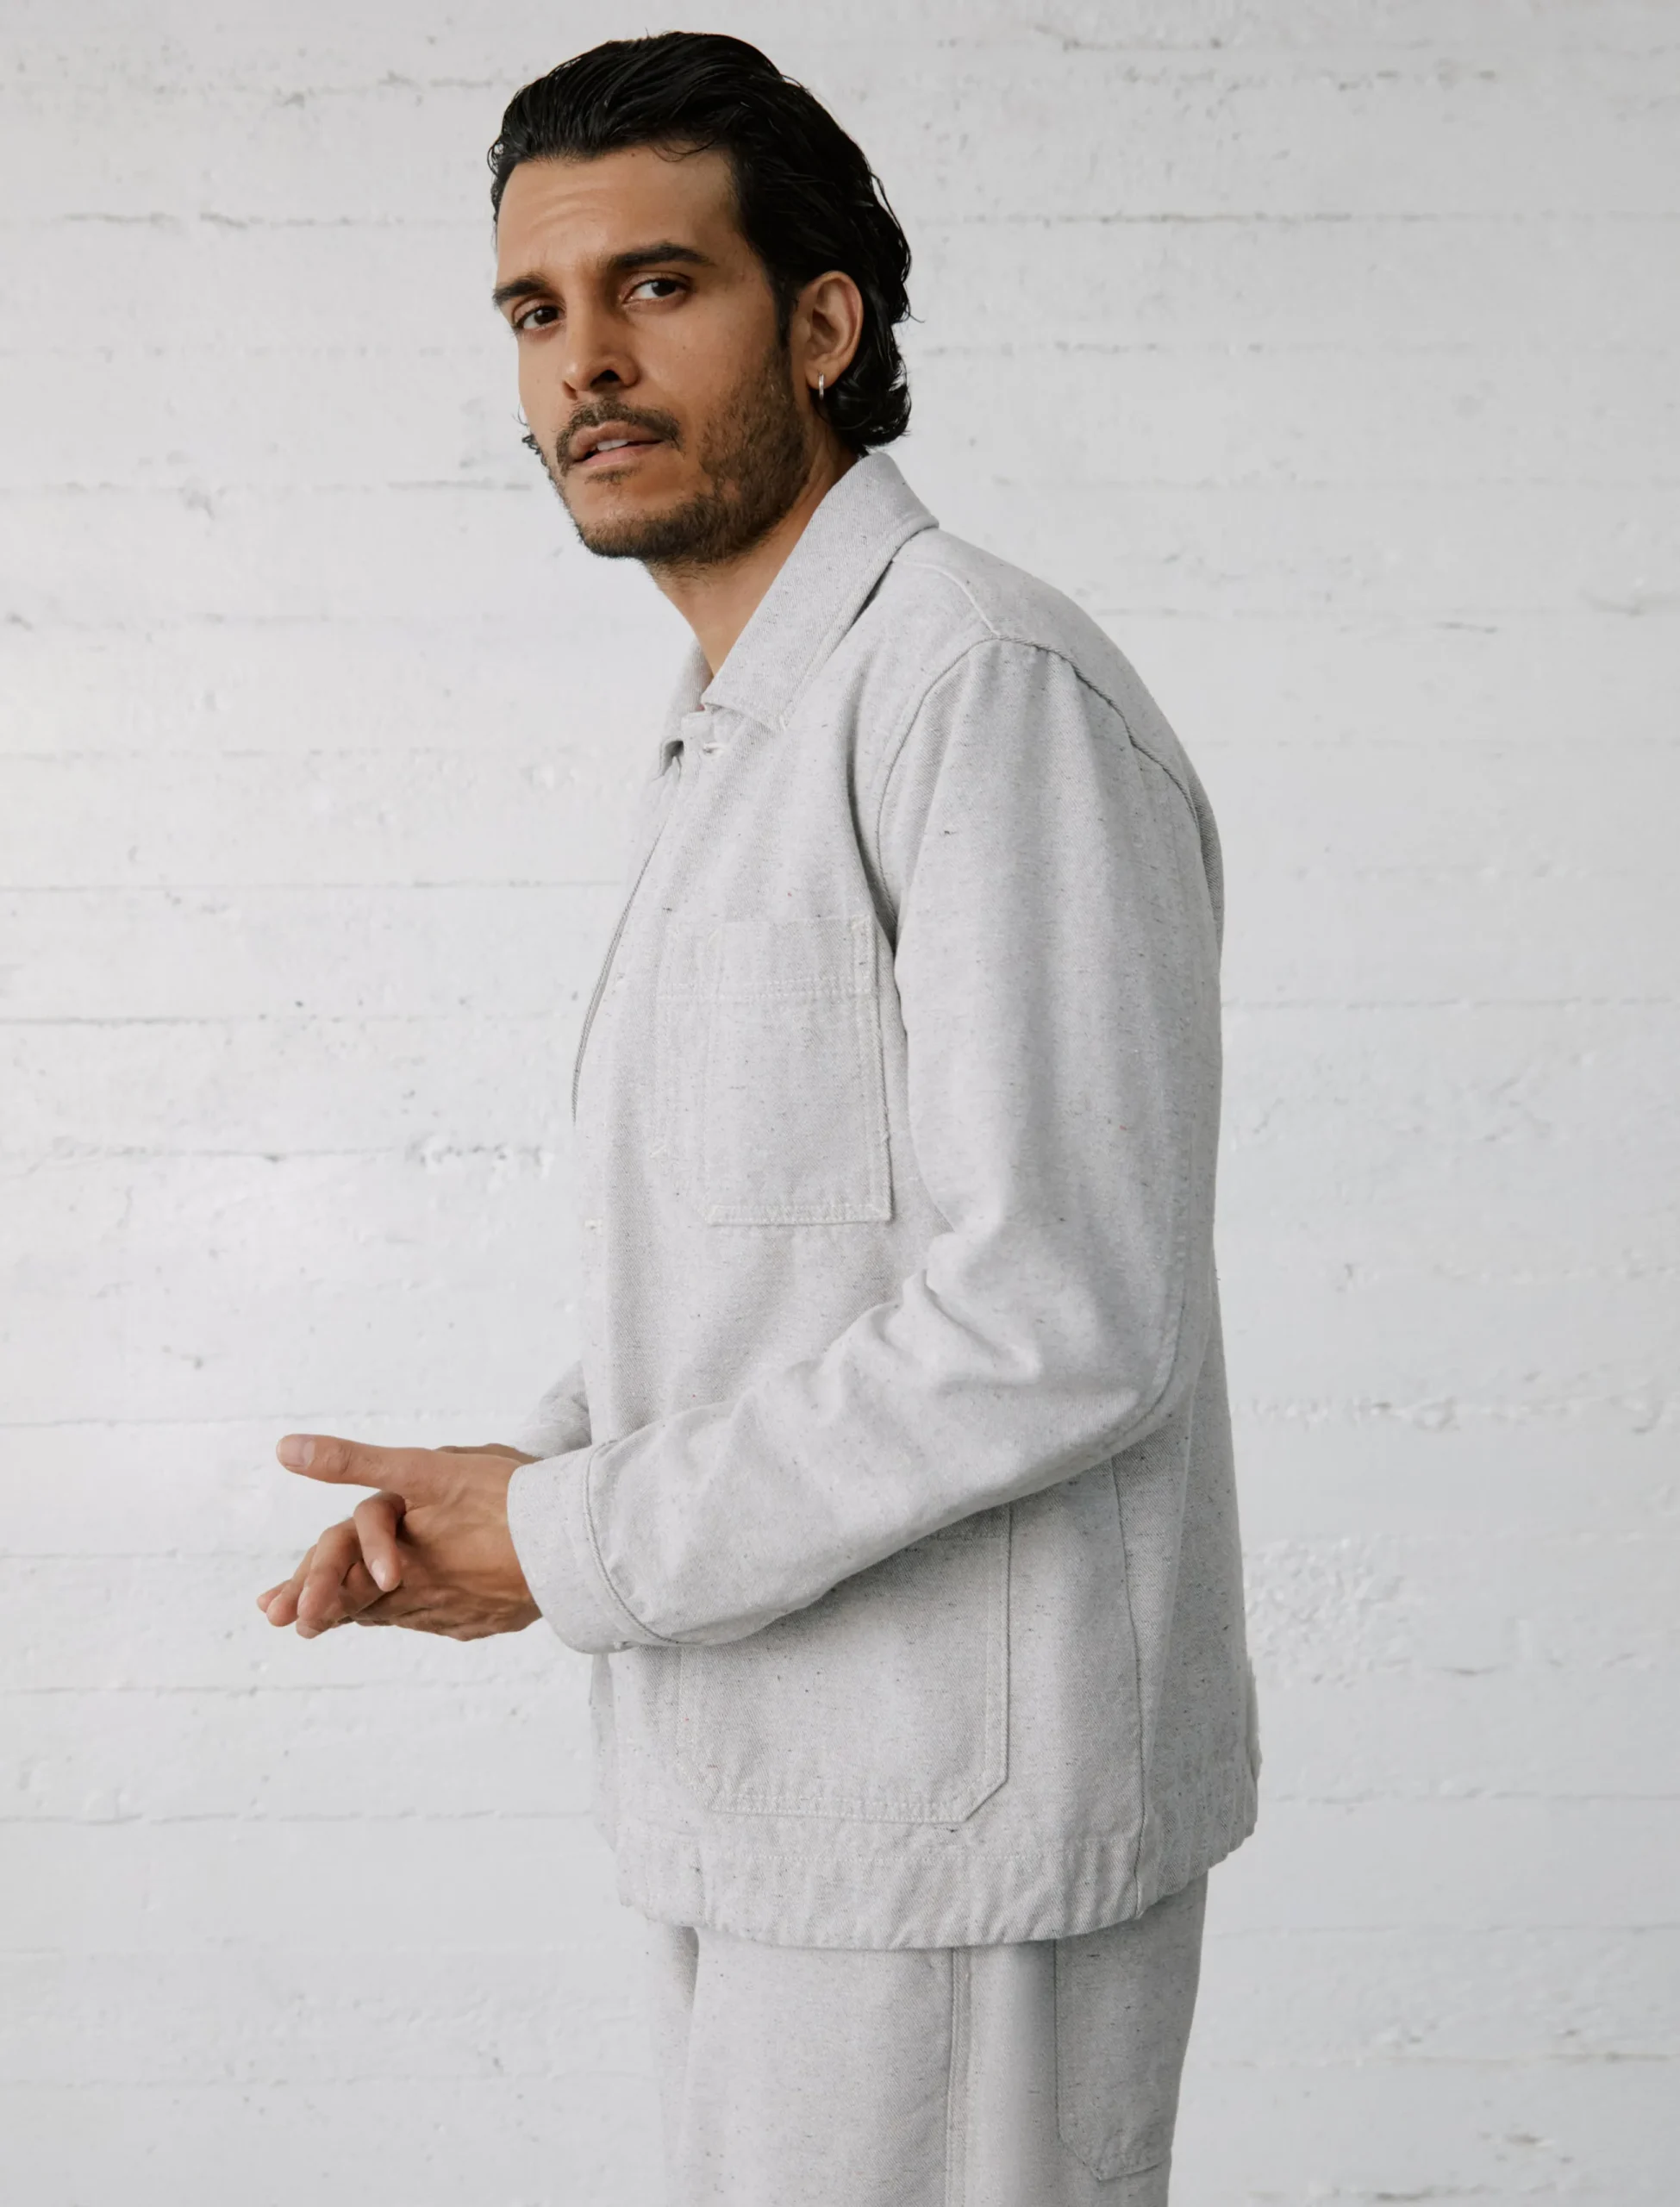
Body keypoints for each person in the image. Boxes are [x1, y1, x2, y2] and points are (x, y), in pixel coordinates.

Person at [257, 32, 1259, 2205]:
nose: (584, 363)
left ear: (822, 325)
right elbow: (769, 1262)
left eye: (656, 285)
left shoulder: (976, 690)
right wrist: (526, 1499)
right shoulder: (742, 723)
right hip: (769, 1798)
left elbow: (1058, 1315)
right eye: (535, 309)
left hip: (955, 1828)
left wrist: (581, 1536)